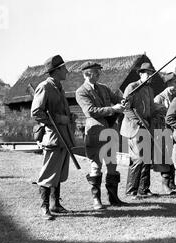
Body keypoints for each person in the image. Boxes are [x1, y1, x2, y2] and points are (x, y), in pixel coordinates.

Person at [75, 62, 127, 210]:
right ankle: (96, 200)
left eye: (98, 72)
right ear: (87, 74)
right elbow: (90, 111)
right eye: (96, 73)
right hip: (95, 132)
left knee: (112, 165)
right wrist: (113, 109)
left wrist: (123, 102)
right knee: (96, 166)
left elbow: (117, 99)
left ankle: (114, 199)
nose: (99, 75)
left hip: (110, 131)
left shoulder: (103, 88)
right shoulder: (81, 92)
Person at [31, 55, 76, 220]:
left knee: (58, 174)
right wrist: (59, 119)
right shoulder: (45, 87)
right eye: (63, 68)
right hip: (53, 137)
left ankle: (55, 204)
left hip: (64, 137)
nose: (66, 71)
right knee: (48, 174)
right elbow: (36, 112)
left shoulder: (58, 87)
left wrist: (69, 118)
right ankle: (44, 208)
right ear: (56, 71)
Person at [120, 62, 156, 199]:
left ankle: (144, 189)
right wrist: (139, 121)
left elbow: (151, 108)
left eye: (152, 73)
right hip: (133, 128)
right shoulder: (132, 87)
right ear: (141, 74)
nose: (150, 76)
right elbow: (126, 108)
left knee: (147, 159)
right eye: (147, 73)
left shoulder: (149, 90)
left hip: (147, 127)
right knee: (138, 159)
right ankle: (131, 191)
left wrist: (156, 114)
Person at [153, 72, 176, 194]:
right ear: (168, 84)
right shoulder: (159, 98)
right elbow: (154, 115)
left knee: (174, 156)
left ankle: (172, 182)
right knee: (164, 157)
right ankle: (166, 184)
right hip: (163, 131)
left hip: (175, 130)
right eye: (175, 82)